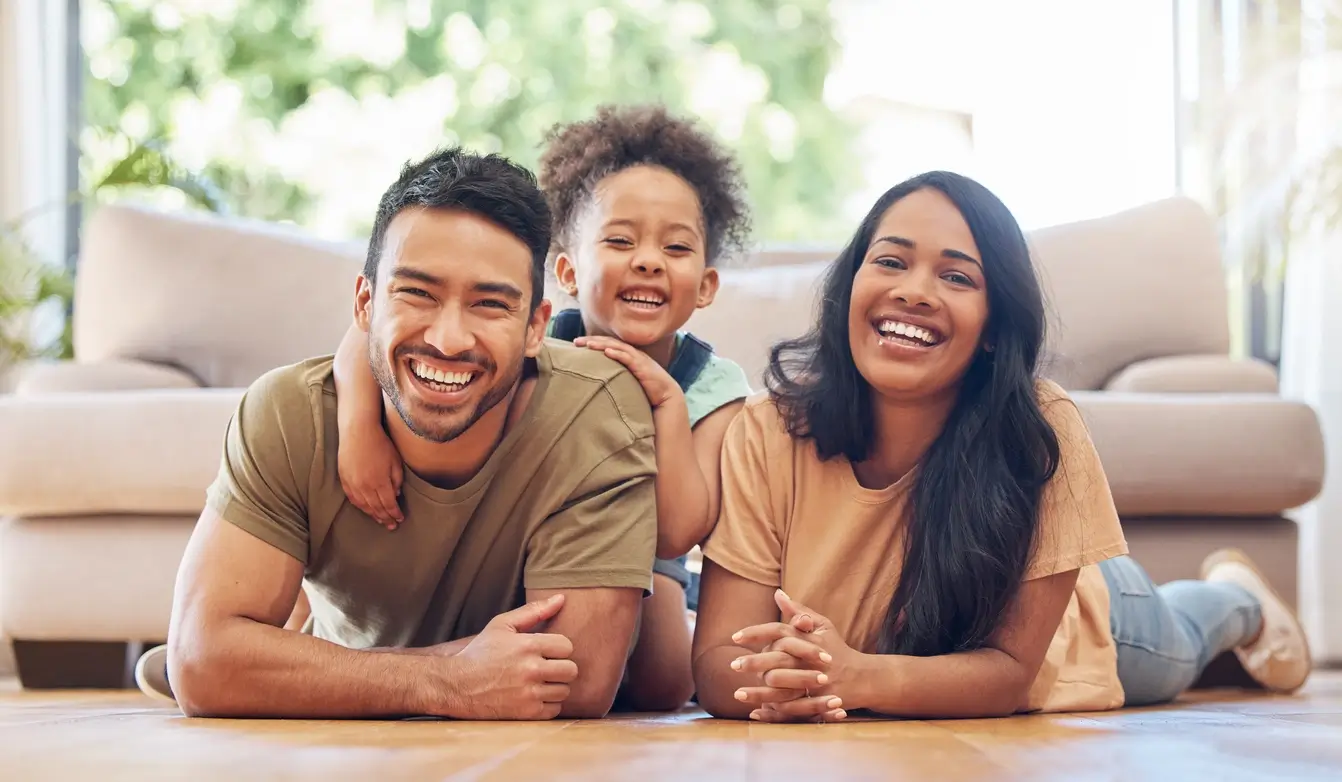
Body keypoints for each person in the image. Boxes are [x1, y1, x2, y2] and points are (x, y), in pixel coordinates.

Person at [691, 171, 1313, 722]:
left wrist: (856, 677)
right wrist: (783, 684)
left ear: (994, 331)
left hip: (1088, 618)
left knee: (1179, 643)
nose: (914, 290)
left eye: (957, 276)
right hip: (877, 670)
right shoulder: (766, 430)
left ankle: (1240, 601)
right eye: (890, 261)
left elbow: (1008, 673)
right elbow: (720, 661)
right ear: (849, 287)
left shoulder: (1039, 427)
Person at [135, 147, 658, 720]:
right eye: (416, 293)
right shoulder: (289, 412)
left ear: (537, 327)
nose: (449, 339)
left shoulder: (598, 412)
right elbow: (202, 661)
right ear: (365, 303)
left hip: (351, 690)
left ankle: (289, 652)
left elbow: (575, 682)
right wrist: (447, 679)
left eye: (489, 304)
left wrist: (294, 671)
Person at [333, 105, 754, 710]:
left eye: (676, 247)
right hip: (525, 534)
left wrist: (663, 402)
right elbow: (360, 338)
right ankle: (323, 649)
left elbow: (678, 530)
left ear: (706, 284)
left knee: (666, 682)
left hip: (642, 559)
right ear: (566, 270)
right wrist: (358, 430)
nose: (648, 259)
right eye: (619, 239)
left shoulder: (713, 384)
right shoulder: (531, 336)